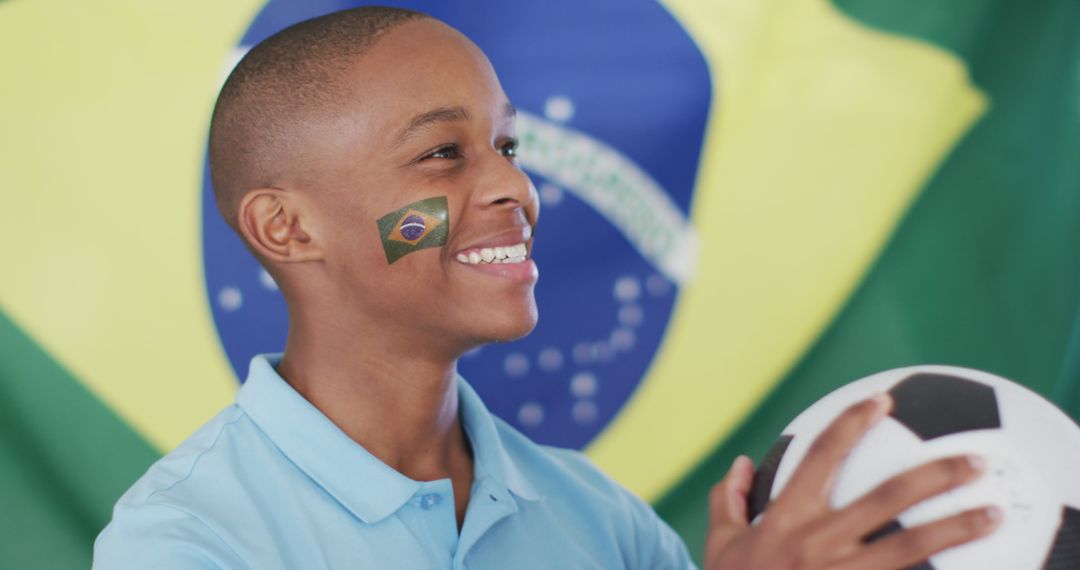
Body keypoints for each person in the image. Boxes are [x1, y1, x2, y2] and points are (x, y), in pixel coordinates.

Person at [93, 7, 1000, 569]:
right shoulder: (184, 542)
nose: (515, 189)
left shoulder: (598, 519)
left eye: (510, 147)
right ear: (286, 228)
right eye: (444, 153)